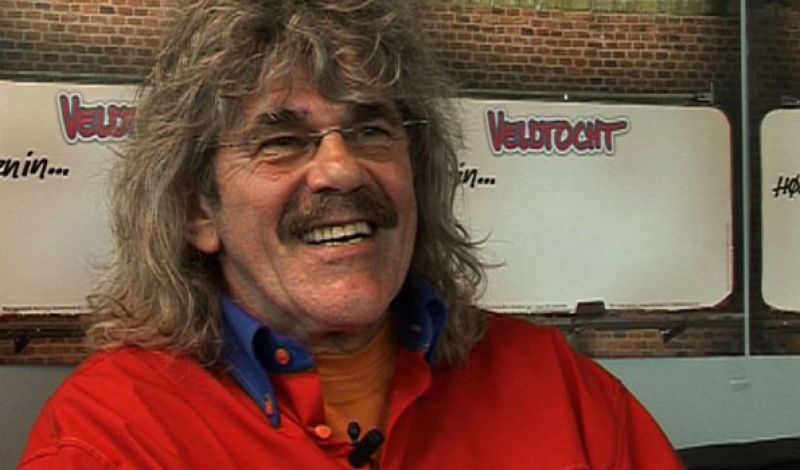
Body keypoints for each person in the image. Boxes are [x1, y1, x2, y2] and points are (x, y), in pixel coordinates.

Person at [20, 0, 684, 468]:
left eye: (370, 130)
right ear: (199, 211)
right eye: (282, 141)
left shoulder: (557, 388)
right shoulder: (109, 440)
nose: (340, 168)